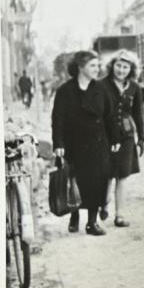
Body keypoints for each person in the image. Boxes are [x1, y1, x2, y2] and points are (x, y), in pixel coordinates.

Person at [51, 50, 120, 236]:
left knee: (97, 182)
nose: (97, 69)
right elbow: (58, 119)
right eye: (93, 66)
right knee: (75, 180)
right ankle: (74, 215)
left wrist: (115, 138)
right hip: (73, 143)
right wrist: (58, 143)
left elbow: (111, 116)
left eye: (98, 65)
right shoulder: (65, 91)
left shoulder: (101, 89)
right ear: (81, 68)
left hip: (98, 143)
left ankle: (92, 222)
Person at [101, 50, 144, 228]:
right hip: (105, 136)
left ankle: (120, 215)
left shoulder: (135, 88)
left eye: (125, 67)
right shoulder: (101, 86)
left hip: (126, 137)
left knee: (123, 176)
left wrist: (141, 138)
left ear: (131, 69)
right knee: (107, 175)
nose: (121, 70)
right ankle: (103, 204)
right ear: (112, 66)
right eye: (118, 66)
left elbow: (138, 114)